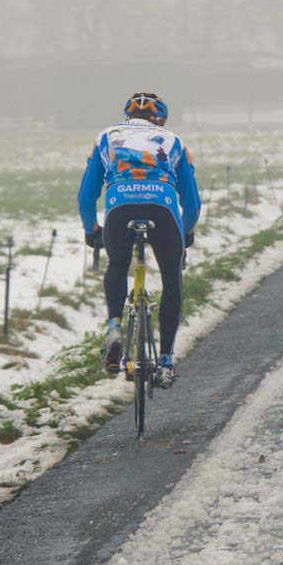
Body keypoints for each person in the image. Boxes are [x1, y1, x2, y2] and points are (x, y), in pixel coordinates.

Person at [77, 92, 201, 389]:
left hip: (120, 207)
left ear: (126, 116)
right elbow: (192, 201)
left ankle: (114, 327)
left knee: (118, 265)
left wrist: (92, 228)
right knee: (172, 278)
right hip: (163, 207)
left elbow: (87, 194)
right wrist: (184, 234)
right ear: (160, 119)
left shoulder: (106, 136)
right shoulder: (174, 141)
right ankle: (168, 360)